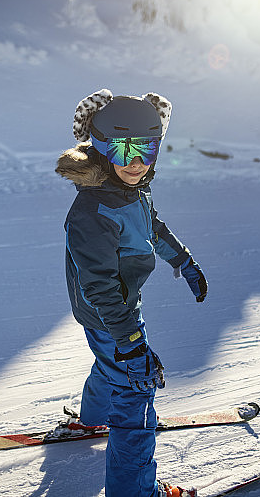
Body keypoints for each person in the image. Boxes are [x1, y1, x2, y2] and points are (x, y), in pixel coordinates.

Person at [55, 89, 207, 497]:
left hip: (109, 313)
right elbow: (100, 286)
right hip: (111, 312)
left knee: (110, 365)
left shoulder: (129, 190)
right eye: (124, 151)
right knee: (136, 391)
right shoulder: (93, 212)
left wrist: (184, 262)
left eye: (148, 148)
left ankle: (90, 420)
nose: (137, 162)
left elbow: (151, 226)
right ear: (101, 149)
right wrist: (131, 339)